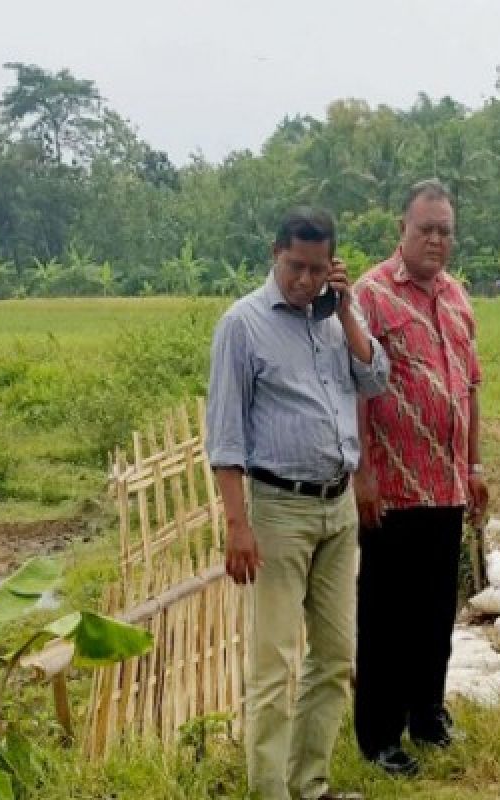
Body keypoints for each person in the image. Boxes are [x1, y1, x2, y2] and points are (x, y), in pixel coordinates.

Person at [206, 208, 389, 800]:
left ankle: (310, 784)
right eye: (296, 267)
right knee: (274, 666)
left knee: (335, 656)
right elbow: (225, 436)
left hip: (336, 506)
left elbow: (376, 379)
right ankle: (268, 793)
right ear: (274, 253)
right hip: (278, 510)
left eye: (318, 269)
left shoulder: (335, 320)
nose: (305, 281)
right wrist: (238, 525)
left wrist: (350, 307)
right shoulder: (244, 325)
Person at [351, 179, 489, 776]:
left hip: (448, 483)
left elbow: (471, 386)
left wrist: (476, 465)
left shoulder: (458, 296)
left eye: (444, 231)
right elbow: (352, 386)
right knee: (386, 614)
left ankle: (427, 716)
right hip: (393, 487)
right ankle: (379, 735)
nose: (436, 239)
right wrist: (361, 473)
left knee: (437, 609)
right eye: (425, 228)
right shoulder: (370, 295)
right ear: (401, 232)